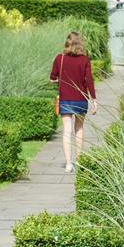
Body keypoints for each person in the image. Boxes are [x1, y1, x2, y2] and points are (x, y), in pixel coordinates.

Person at [50, 31, 97, 173]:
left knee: (67, 131)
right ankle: (79, 161)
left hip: (65, 99)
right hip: (81, 100)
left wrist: (61, 80)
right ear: (80, 43)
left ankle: (68, 164)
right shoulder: (84, 60)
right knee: (79, 130)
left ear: (67, 43)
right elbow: (89, 81)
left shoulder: (60, 58)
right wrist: (94, 99)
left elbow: (52, 78)